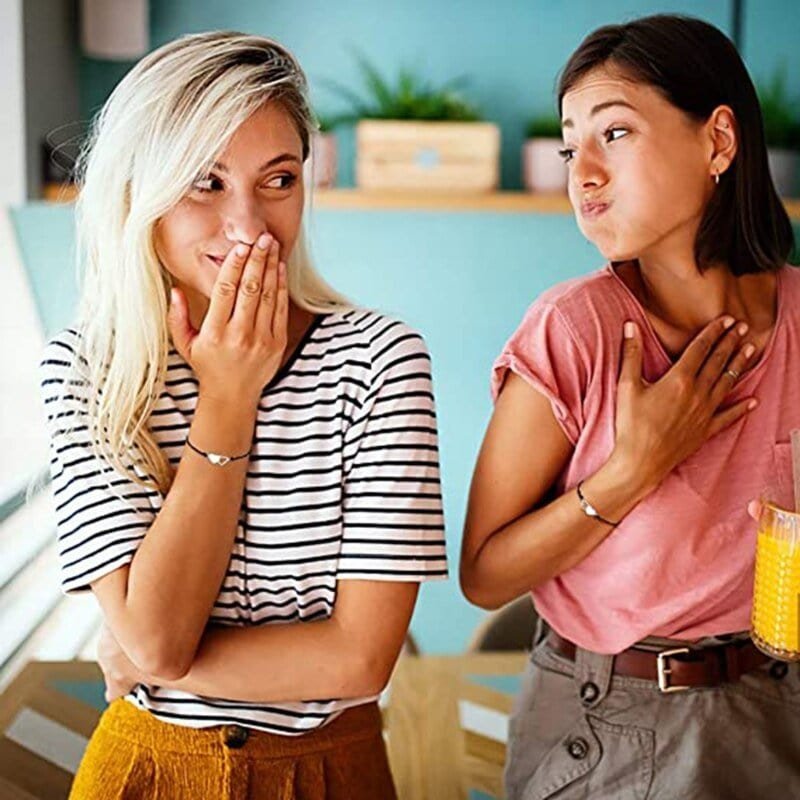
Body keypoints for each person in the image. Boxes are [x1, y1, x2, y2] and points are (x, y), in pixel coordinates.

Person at [39, 31, 447, 800]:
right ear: (139, 191)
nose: (251, 226)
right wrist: (227, 401)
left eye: (279, 179)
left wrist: (152, 659)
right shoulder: (90, 367)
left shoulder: (380, 358)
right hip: (147, 769)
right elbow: (157, 635)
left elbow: (361, 660)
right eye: (206, 182)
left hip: (333, 770)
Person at [460, 14, 800, 800]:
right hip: (608, 721)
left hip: (774, 708)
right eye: (568, 144)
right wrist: (632, 471)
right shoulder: (574, 330)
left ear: (718, 142)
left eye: (612, 133)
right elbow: (483, 573)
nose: (581, 171)